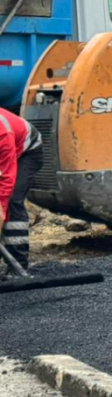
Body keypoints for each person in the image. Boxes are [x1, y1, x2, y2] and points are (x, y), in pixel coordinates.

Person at [0, 107, 43, 275]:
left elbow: (5, 182)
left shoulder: (2, 134)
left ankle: (18, 265)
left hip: (27, 151)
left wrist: (1, 211)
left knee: (11, 201)